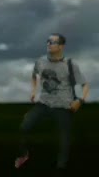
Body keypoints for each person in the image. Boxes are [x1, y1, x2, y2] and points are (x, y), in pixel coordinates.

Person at [15, 33, 89, 170]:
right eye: (48, 41)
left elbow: (85, 85)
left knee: (64, 138)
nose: (49, 44)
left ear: (61, 46)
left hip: (63, 106)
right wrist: (33, 91)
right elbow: (34, 75)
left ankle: (61, 167)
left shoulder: (70, 64)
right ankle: (24, 155)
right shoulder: (41, 61)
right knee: (24, 126)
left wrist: (80, 100)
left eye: (53, 42)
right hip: (43, 104)